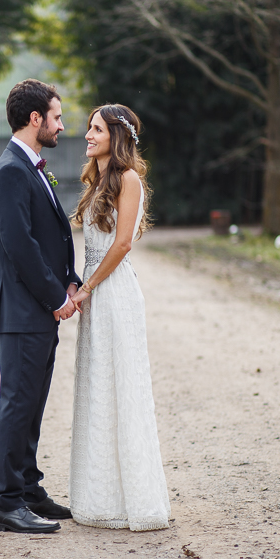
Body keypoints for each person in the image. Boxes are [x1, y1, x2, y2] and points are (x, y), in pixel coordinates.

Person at [0, 79, 82, 534]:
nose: (63, 126)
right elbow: (19, 247)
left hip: (36, 312)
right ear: (35, 119)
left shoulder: (32, 167)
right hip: (23, 313)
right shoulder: (9, 171)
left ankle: (28, 489)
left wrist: (70, 278)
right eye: (57, 117)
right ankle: (6, 502)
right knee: (17, 403)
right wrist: (57, 297)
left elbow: (49, 236)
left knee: (33, 404)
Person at [68, 104, 171, 531]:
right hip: (94, 291)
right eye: (89, 129)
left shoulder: (129, 180)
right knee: (97, 387)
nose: (87, 135)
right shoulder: (96, 181)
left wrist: (89, 288)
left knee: (121, 387)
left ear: (116, 135)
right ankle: (99, 495)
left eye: (95, 129)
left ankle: (135, 499)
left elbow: (123, 243)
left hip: (114, 293)